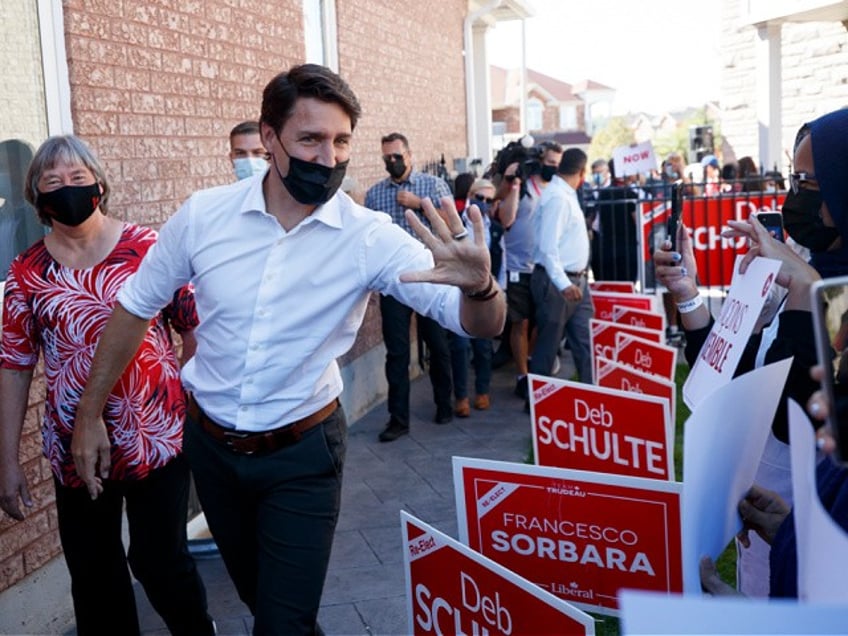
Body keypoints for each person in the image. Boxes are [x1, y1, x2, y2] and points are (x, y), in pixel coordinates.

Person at [70, 64, 505, 635]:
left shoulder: (368, 236)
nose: (328, 158)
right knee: (266, 607)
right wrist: (88, 415)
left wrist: (481, 286)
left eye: (341, 141)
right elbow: (133, 308)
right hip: (213, 450)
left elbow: (479, 324)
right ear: (270, 138)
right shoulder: (204, 216)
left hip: (302, 457)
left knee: (281, 624)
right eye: (311, 139)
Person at [0, 135, 214, 636]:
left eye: (78, 178)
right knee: (95, 576)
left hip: (155, 436)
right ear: (36, 196)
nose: (67, 189)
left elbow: (193, 322)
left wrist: (189, 398)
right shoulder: (27, 273)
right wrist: (7, 461)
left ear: (100, 184)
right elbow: (14, 365)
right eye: (52, 181)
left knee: (161, 564)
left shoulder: (147, 248)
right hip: (76, 447)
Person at [364, 132, 456, 442]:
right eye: (387, 158)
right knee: (397, 353)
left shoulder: (432, 185)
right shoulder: (376, 194)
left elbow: (452, 224)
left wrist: (418, 204)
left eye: (397, 156)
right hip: (394, 285)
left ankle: (445, 404)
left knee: (438, 344)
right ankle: (398, 419)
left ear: (410, 155)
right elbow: (371, 239)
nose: (392, 162)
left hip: (430, 277)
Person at [496, 141, 562, 400]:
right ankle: (523, 376)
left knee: (543, 323)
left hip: (545, 268)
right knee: (519, 322)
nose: (552, 169)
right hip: (518, 267)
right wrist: (514, 184)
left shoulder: (557, 190)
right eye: (549, 164)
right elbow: (507, 218)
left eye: (557, 165)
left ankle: (535, 364)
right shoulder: (523, 186)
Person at [527, 147, 593, 403]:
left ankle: (592, 398)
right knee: (548, 345)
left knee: (585, 344)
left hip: (575, 280)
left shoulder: (564, 193)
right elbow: (547, 246)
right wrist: (563, 283)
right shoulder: (557, 197)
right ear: (582, 171)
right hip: (559, 282)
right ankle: (538, 404)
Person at [449, 178, 496, 416]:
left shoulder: (493, 226)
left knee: (483, 345)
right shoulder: (455, 222)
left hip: (486, 293)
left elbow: (501, 259)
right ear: (470, 196)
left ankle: (482, 391)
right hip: (459, 292)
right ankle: (461, 396)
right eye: (480, 198)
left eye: (489, 200)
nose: (484, 204)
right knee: (459, 345)